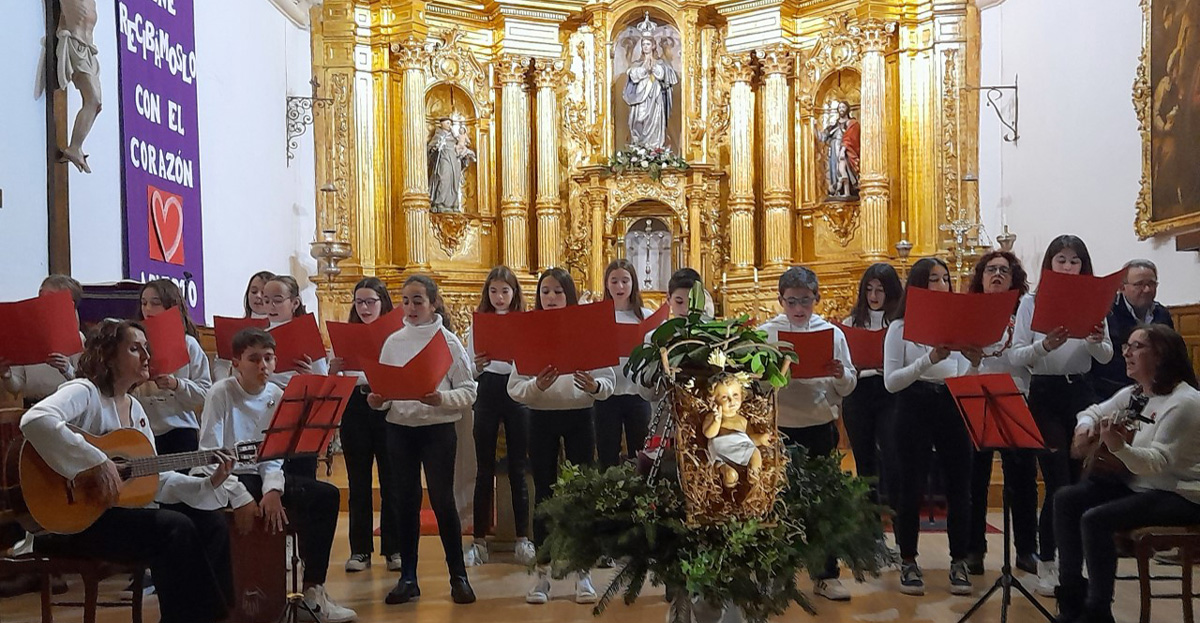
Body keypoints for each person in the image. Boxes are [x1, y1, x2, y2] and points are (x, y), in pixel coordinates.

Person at [20, 319, 237, 623]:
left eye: (147, 348)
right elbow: (35, 419)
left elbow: (151, 479)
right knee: (174, 527)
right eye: (135, 349)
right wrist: (95, 460)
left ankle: (214, 616)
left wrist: (206, 483)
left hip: (113, 513)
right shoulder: (84, 391)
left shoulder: (135, 408)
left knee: (211, 521)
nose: (147, 357)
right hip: (73, 519)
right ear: (108, 356)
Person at [197, 328, 356, 623]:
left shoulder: (277, 394)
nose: (263, 366)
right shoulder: (221, 393)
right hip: (227, 479)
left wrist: (273, 490)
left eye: (268, 359)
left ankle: (313, 590)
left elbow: (274, 452)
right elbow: (209, 458)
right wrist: (242, 496)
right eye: (254, 359)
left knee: (326, 496)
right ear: (236, 362)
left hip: (261, 475)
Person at [1055, 324, 1200, 623]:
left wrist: (1117, 447)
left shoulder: (1184, 402)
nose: (1126, 352)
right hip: (1143, 484)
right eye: (1126, 346)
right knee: (1067, 499)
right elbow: (1092, 411)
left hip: (1180, 492)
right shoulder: (1137, 393)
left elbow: (1157, 462)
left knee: (1096, 519)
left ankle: (1098, 610)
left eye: (1136, 347)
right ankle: (1071, 599)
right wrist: (1085, 429)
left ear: (1161, 356)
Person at [507, 267, 616, 605]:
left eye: (557, 292)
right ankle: (542, 575)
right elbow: (514, 388)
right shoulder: (529, 331)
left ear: (569, 294)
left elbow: (607, 381)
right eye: (545, 292)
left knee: (582, 495)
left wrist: (594, 386)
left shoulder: (585, 329)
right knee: (543, 495)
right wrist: (535, 386)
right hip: (540, 419)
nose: (551, 298)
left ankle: (583, 574)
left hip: (580, 417)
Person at [1013, 235, 1113, 597]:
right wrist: (1045, 345)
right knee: (1057, 483)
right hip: (1044, 392)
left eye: (1075, 261)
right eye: (1062, 260)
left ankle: (1075, 563)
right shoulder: (1031, 302)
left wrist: (1093, 340)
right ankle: (1047, 563)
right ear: (1050, 265)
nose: (1068, 267)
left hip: (1080, 392)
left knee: (1081, 480)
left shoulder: (1093, 300)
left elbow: (1103, 356)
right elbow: (1016, 355)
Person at [368, 275, 478, 606]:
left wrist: (441, 400)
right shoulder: (393, 341)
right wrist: (379, 400)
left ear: (432, 303)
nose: (412, 307)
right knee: (405, 500)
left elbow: (470, 390)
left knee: (443, 500)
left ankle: (458, 577)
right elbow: (385, 389)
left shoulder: (448, 341)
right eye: (406, 300)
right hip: (400, 428)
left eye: (418, 300)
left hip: (437, 429)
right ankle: (408, 578)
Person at [759, 266, 857, 602]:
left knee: (821, 504)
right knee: (776, 501)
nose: (799, 309)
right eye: (791, 302)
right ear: (780, 300)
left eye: (805, 301)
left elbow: (847, 385)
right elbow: (753, 385)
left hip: (819, 425)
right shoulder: (766, 333)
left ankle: (825, 575)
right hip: (778, 427)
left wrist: (841, 373)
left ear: (816, 299)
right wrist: (772, 375)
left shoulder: (831, 333)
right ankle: (776, 573)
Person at [883, 257, 980, 597]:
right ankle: (908, 559)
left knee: (959, 487)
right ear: (918, 286)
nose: (942, 286)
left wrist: (975, 362)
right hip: (913, 404)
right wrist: (928, 360)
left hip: (952, 404)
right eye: (934, 280)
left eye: (946, 279)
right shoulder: (900, 327)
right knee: (910, 487)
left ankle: (959, 560)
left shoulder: (957, 322)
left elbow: (962, 376)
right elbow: (891, 382)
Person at [962, 252, 1040, 576]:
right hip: (976, 398)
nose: (996, 274)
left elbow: (1033, 358)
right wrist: (974, 361)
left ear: (1014, 279)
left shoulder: (1026, 313)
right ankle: (973, 551)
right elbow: (957, 366)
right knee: (973, 481)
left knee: (1022, 480)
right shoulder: (968, 313)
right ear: (981, 278)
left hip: (1017, 398)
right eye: (990, 270)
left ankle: (1026, 550)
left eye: (1003, 271)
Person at [328, 277, 401, 573]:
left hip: (385, 405)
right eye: (360, 302)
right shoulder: (348, 334)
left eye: (371, 301)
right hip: (355, 407)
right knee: (358, 482)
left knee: (391, 481)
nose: (365, 307)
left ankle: (394, 548)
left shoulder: (395, 336)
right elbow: (336, 377)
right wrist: (334, 369)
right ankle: (360, 550)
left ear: (383, 303)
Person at [464, 266, 535, 567]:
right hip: (489, 388)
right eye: (494, 290)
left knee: (518, 467)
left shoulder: (525, 323)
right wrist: (479, 364)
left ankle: (523, 539)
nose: (499, 296)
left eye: (505, 290)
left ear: (514, 293)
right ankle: (479, 541)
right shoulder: (478, 325)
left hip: (517, 389)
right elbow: (470, 369)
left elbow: (533, 361)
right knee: (484, 469)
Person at [841, 263, 903, 509]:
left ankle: (900, 528)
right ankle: (871, 530)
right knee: (865, 461)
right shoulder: (852, 321)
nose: (874, 296)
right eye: (869, 290)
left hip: (890, 392)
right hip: (859, 392)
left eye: (880, 290)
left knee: (892, 456)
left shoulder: (899, 322)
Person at [133, 279, 211, 455]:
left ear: (171, 306)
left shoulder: (188, 344)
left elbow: (205, 394)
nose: (147, 309)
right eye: (144, 303)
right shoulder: (133, 343)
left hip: (180, 428)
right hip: (142, 430)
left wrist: (176, 384)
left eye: (155, 303)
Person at [263, 274, 329, 479]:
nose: (271, 306)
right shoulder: (259, 335)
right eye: (266, 300)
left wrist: (309, 375)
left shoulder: (306, 333)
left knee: (302, 475)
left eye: (277, 300)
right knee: (271, 471)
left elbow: (324, 382)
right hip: (266, 411)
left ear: (295, 303)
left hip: (301, 413)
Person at [596, 259, 657, 470]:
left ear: (633, 284)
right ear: (606, 284)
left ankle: (640, 501)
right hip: (606, 395)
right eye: (614, 281)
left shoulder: (646, 316)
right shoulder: (598, 317)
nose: (620, 287)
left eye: (625, 281)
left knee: (640, 454)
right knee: (607, 454)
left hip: (637, 394)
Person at [1090, 259, 1174, 401]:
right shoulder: (1107, 314)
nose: (1147, 289)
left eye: (1151, 284)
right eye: (1139, 284)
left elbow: (1173, 356)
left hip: (1156, 390)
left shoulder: (1162, 314)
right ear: (1121, 287)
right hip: (1112, 391)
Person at [1, 275, 86, 408]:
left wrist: (66, 369)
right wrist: (7, 375)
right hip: (31, 407)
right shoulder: (24, 336)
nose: (41, 300)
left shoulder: (77, 338)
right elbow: (17, 387)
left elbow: (86, 385)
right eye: (40, 295)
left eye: (49, 296)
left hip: (66, 407)